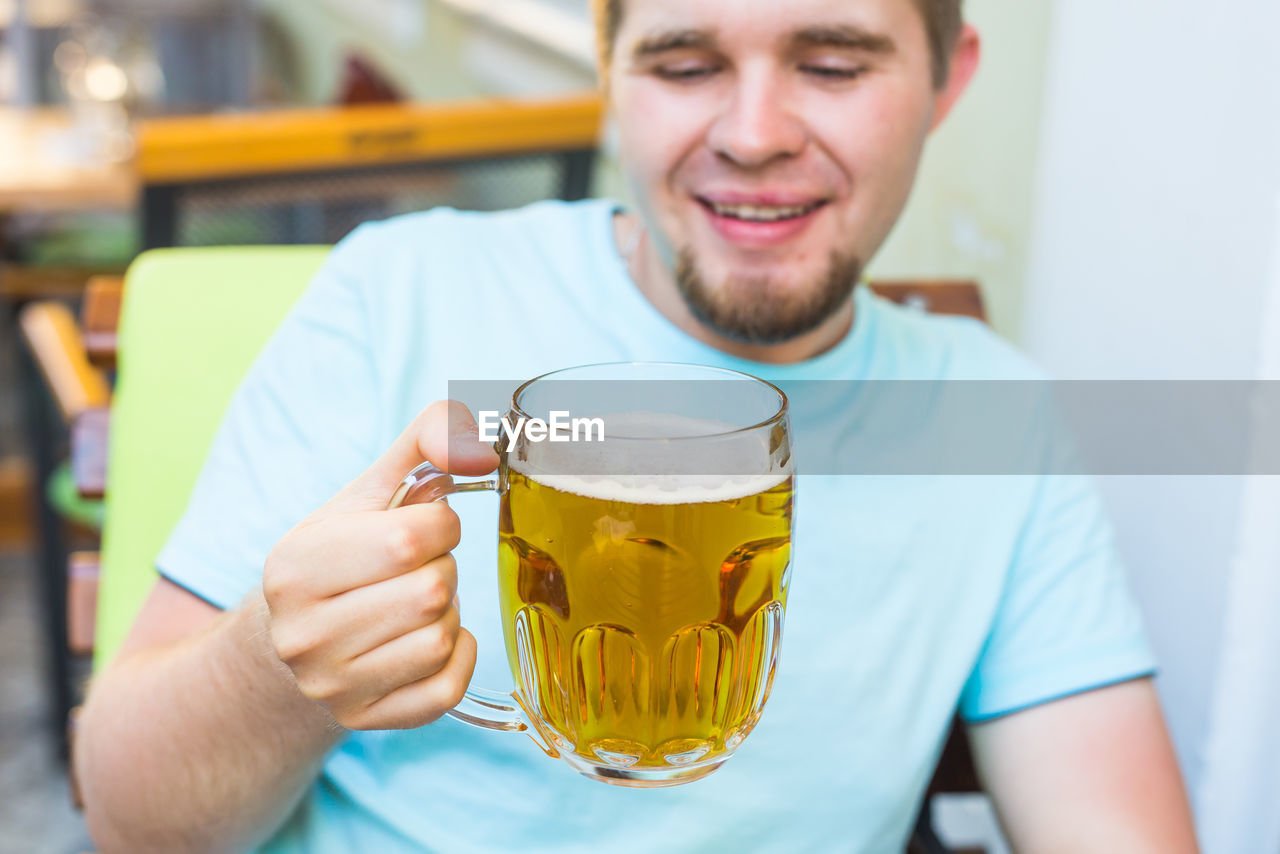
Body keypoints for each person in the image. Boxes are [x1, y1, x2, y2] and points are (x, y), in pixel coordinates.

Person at [74, 0, 1200, 851]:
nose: (754, 133)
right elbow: (129, 815)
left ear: (945, 81)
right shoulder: (401, 293)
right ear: (607, 66)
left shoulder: (991, 418)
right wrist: (276, 669)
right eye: (683, 62)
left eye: (832, 63)